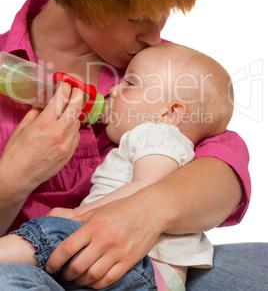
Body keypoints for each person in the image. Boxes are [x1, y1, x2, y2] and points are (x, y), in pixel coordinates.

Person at [0, 0, 264, 290]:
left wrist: (147, 211)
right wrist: (13, 179)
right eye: (139, 18)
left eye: (163, 15)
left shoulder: (157, 64)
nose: (156, 36)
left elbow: (224, 166)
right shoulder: (10, 72)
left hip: (150, 265)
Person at [0, 42, 234, 290]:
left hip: (142, 266)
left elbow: (144, 188)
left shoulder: (158, 135)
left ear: (170, 114)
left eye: (130, 84)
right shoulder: (150, 138)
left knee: (52, 232)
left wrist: (76, 216)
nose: (113, 89)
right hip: (138, 271)